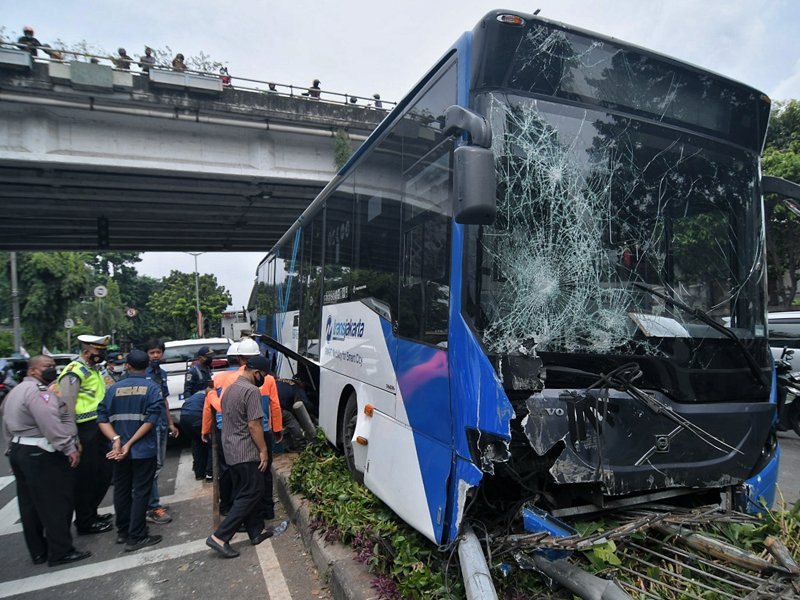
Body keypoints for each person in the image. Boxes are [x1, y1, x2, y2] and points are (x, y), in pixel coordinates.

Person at [2, 355, 90, 567]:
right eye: (47, 366)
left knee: (30, 504)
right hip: (41, 452)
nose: (52, 369)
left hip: (20, 450)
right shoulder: (39, 393)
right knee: (55, 504)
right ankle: (61, 551)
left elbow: (6, 424)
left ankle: (38, 552)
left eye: (53, 365)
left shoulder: (16, 391)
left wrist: (10, 451)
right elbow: (50, 424)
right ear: (32, 370)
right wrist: (69, 448)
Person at [205, 355, 275, 558]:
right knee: (252, 492)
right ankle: (220, 537)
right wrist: (263, 450)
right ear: (256, 373)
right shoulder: (251, 391)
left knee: (247, 490)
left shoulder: (230, 388)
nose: (264, 379)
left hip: (231, 449)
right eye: (264, 375)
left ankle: (256, 531)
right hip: (246, 450)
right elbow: (254, 425)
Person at [97, 350, 164, 552]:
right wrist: (129, 443)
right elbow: (151, 420)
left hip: (118, 451)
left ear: (127, 365)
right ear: (147, 365)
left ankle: (123, 531)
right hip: (142, 449)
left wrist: (116, 440)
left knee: (121, 489)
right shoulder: (152, 388)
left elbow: (102, 418)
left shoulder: (113, 389)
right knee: (141, 491)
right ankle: (137, 536)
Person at [56, 334, 114, 536]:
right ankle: (85, 521)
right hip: (83, 429)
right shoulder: (73, 372)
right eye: (99, 351)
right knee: (86, 478)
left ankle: (92, 512)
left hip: (99, 426)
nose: (102, 354)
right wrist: (73, 439)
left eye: (103, 351)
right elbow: (67, 408)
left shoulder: (94, 369)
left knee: (103, 473)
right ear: (87, 351)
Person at [142, 339, 178, 524]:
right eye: (152, 353)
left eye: (158, 352)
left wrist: (171, 423)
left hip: (162, 424)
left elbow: (164, 400)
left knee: (158, 465)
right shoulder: (142, 374)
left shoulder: (161, 373)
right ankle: (151, 507)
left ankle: (153, 502)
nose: (156, 356)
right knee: (152, 467)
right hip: (150, 425)